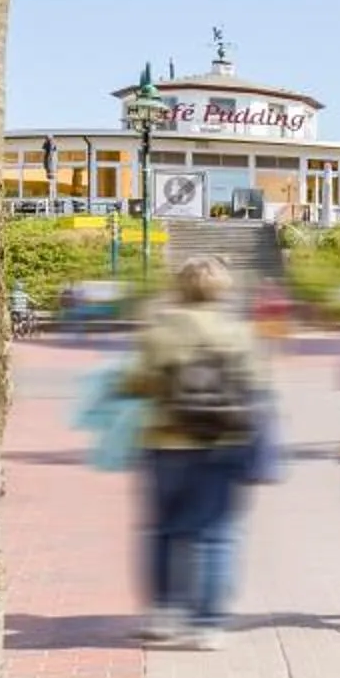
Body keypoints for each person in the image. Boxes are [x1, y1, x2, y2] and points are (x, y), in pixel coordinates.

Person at [121, 259, 267, 649]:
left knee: (164, 530)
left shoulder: (161, 330)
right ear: (224, 288)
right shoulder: (239, 332)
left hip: (167, 443)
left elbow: (135, 383)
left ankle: (164, 614)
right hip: (222, 444)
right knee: (217, 535)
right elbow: (257, 389)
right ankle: (209, 624)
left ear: (179, 285)